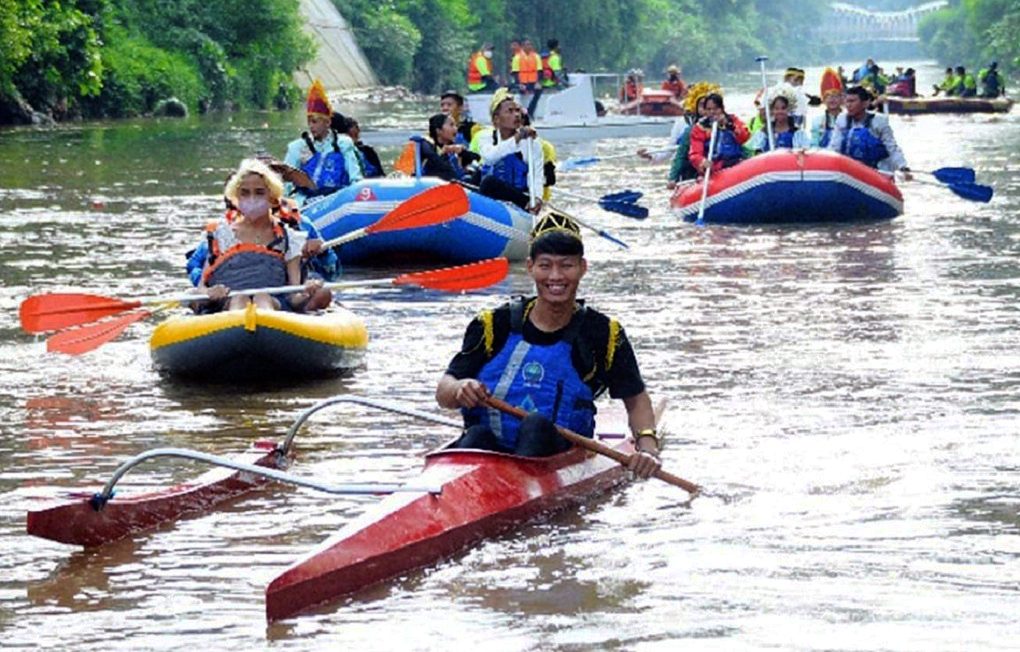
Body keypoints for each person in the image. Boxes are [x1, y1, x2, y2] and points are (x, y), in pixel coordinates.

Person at [435, 212, 662, 474]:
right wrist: (460, 388)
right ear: (530, 267)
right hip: (487, 457)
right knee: (476, 436)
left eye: (566, 265)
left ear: (582, 268)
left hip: (556, 455)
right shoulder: (491, 324)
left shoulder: (604, 333)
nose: (556, 276)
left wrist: (647, 448)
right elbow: (444, 392)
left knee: (536, 426)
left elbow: (635, 400)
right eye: (545, 265)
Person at [196, 158, 331, 313]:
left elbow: (293, 296)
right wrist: (209, 292)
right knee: (240, 298)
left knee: (262, 297)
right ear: (236, 198)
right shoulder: (221, 234)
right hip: (227, 302)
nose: (252, 199)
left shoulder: (290, 238)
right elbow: (201, 286)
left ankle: (262, 325)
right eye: (245, 193)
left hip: (273, 302)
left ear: (273, 198)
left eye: (259, 192)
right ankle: (240, 326)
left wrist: (307, 292)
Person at [283, 79, 362, 206]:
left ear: (328, 123)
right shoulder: (297, 146)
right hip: (304, 199)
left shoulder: (343, 144)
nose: (311, 126)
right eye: (309, 122)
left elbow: (355, 176)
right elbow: (286, 179)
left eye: (315, 122)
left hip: (336, 198)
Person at [477, 89, 545, 212]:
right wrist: (517, 138)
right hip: (491, 197)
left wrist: (537, 198)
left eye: (518, 110)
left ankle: (526, 205)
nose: (517, 115)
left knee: (489, 182)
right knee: (483, 179)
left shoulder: (532, 143)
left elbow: (536, 175)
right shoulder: (485, 137)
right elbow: (490, 157)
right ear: (496, 119)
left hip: (517, 198)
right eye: (510, 111)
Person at [828, 86, 910, 178]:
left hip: (877, 172)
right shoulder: (842, 119)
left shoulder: (879, 121)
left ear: (865, 103)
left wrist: (903, 167)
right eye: (847, 101)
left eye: (852, 101)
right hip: (852, 171)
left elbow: (892, 147)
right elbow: (834, 146)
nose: (848, 105)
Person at [688, 92, 749, 174]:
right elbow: (695, 153)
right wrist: (702, 161)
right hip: (716, 166)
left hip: (737, 161)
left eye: (716, 108)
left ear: (722, 108)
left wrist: (729, 125)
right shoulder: (700, 128)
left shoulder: (733, 120)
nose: (712, 112)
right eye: (709, 109)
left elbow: (744, 137)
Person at [416, 113, 481, 181]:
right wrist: (443, 153)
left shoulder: (455, 148)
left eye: (456, 125)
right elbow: (440, 165)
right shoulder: (426, 146)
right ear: (439, 130)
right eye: (451, 125)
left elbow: (478, 158)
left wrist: (462, 152)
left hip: (458, 185)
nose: (456, 128)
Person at [748, 85, 809, 153]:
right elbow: (757, 154)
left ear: (789, 110)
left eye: (783, 108)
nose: (780, 111)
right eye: (776, 108)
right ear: (772, 110)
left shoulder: (798, 133)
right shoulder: (764, 133)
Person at [810, 67, 844, 148]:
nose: (832, 99)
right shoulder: (817, 121)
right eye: (828, 96)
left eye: (835, 96)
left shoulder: (849, 119)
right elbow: (814, 145)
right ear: (823, 100)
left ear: (841, 99)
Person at [512, 39, 543, 116]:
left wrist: (538, 82)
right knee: (520, 92)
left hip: (533, 82)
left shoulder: (536, 56)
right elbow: (515, 72)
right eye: (527, 45)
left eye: (530, 44)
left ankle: (530, 111)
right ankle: (521, 112)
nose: (529, 46)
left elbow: (539, 71)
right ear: (523, 46)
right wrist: (519, 84)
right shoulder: (517, 57)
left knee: (539, 91)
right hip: (522, 82)